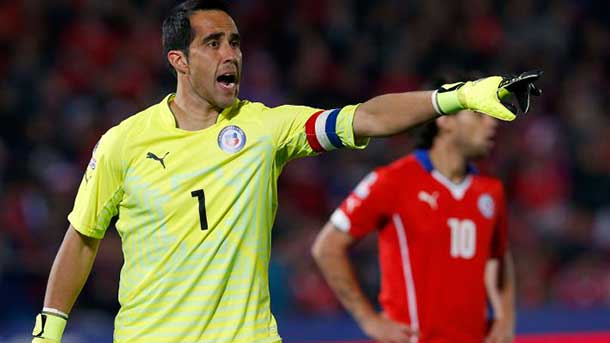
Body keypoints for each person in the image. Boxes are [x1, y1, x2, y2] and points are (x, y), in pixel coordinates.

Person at [31, 1, 540, 342]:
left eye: (235, 42)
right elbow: (82, 238)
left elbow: (365, 116)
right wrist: (48, 330)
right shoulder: (124, 142)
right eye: (213, 44)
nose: (231, 54)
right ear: (179, 60)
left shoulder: (267, 128)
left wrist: (460, 96)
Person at [312, 106, 517, 343]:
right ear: (445, 121)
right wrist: (369, 320)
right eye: (479, 115)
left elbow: (498, 257)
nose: (492, 123)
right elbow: (327, 247)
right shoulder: (392, 181)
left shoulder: (490, 191)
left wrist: (505, 318)